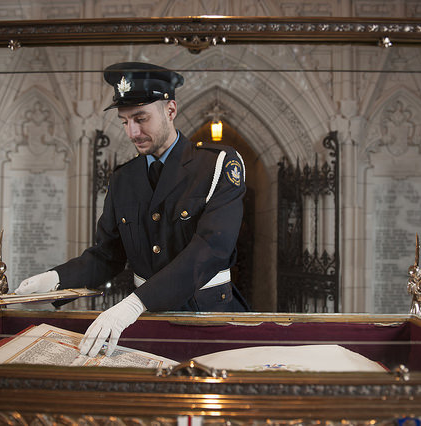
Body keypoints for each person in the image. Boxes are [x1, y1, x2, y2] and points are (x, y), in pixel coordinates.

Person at [16, 62, 248, 357]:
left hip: (209, 318)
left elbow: (211, 249)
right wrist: (55, 280)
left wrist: (135, 303)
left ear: (170, 110)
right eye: (124, 121)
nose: (132, 132)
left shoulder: (217, 164)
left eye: (140, 118)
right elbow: (107, 255)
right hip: (145, 324)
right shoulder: (123, 178)